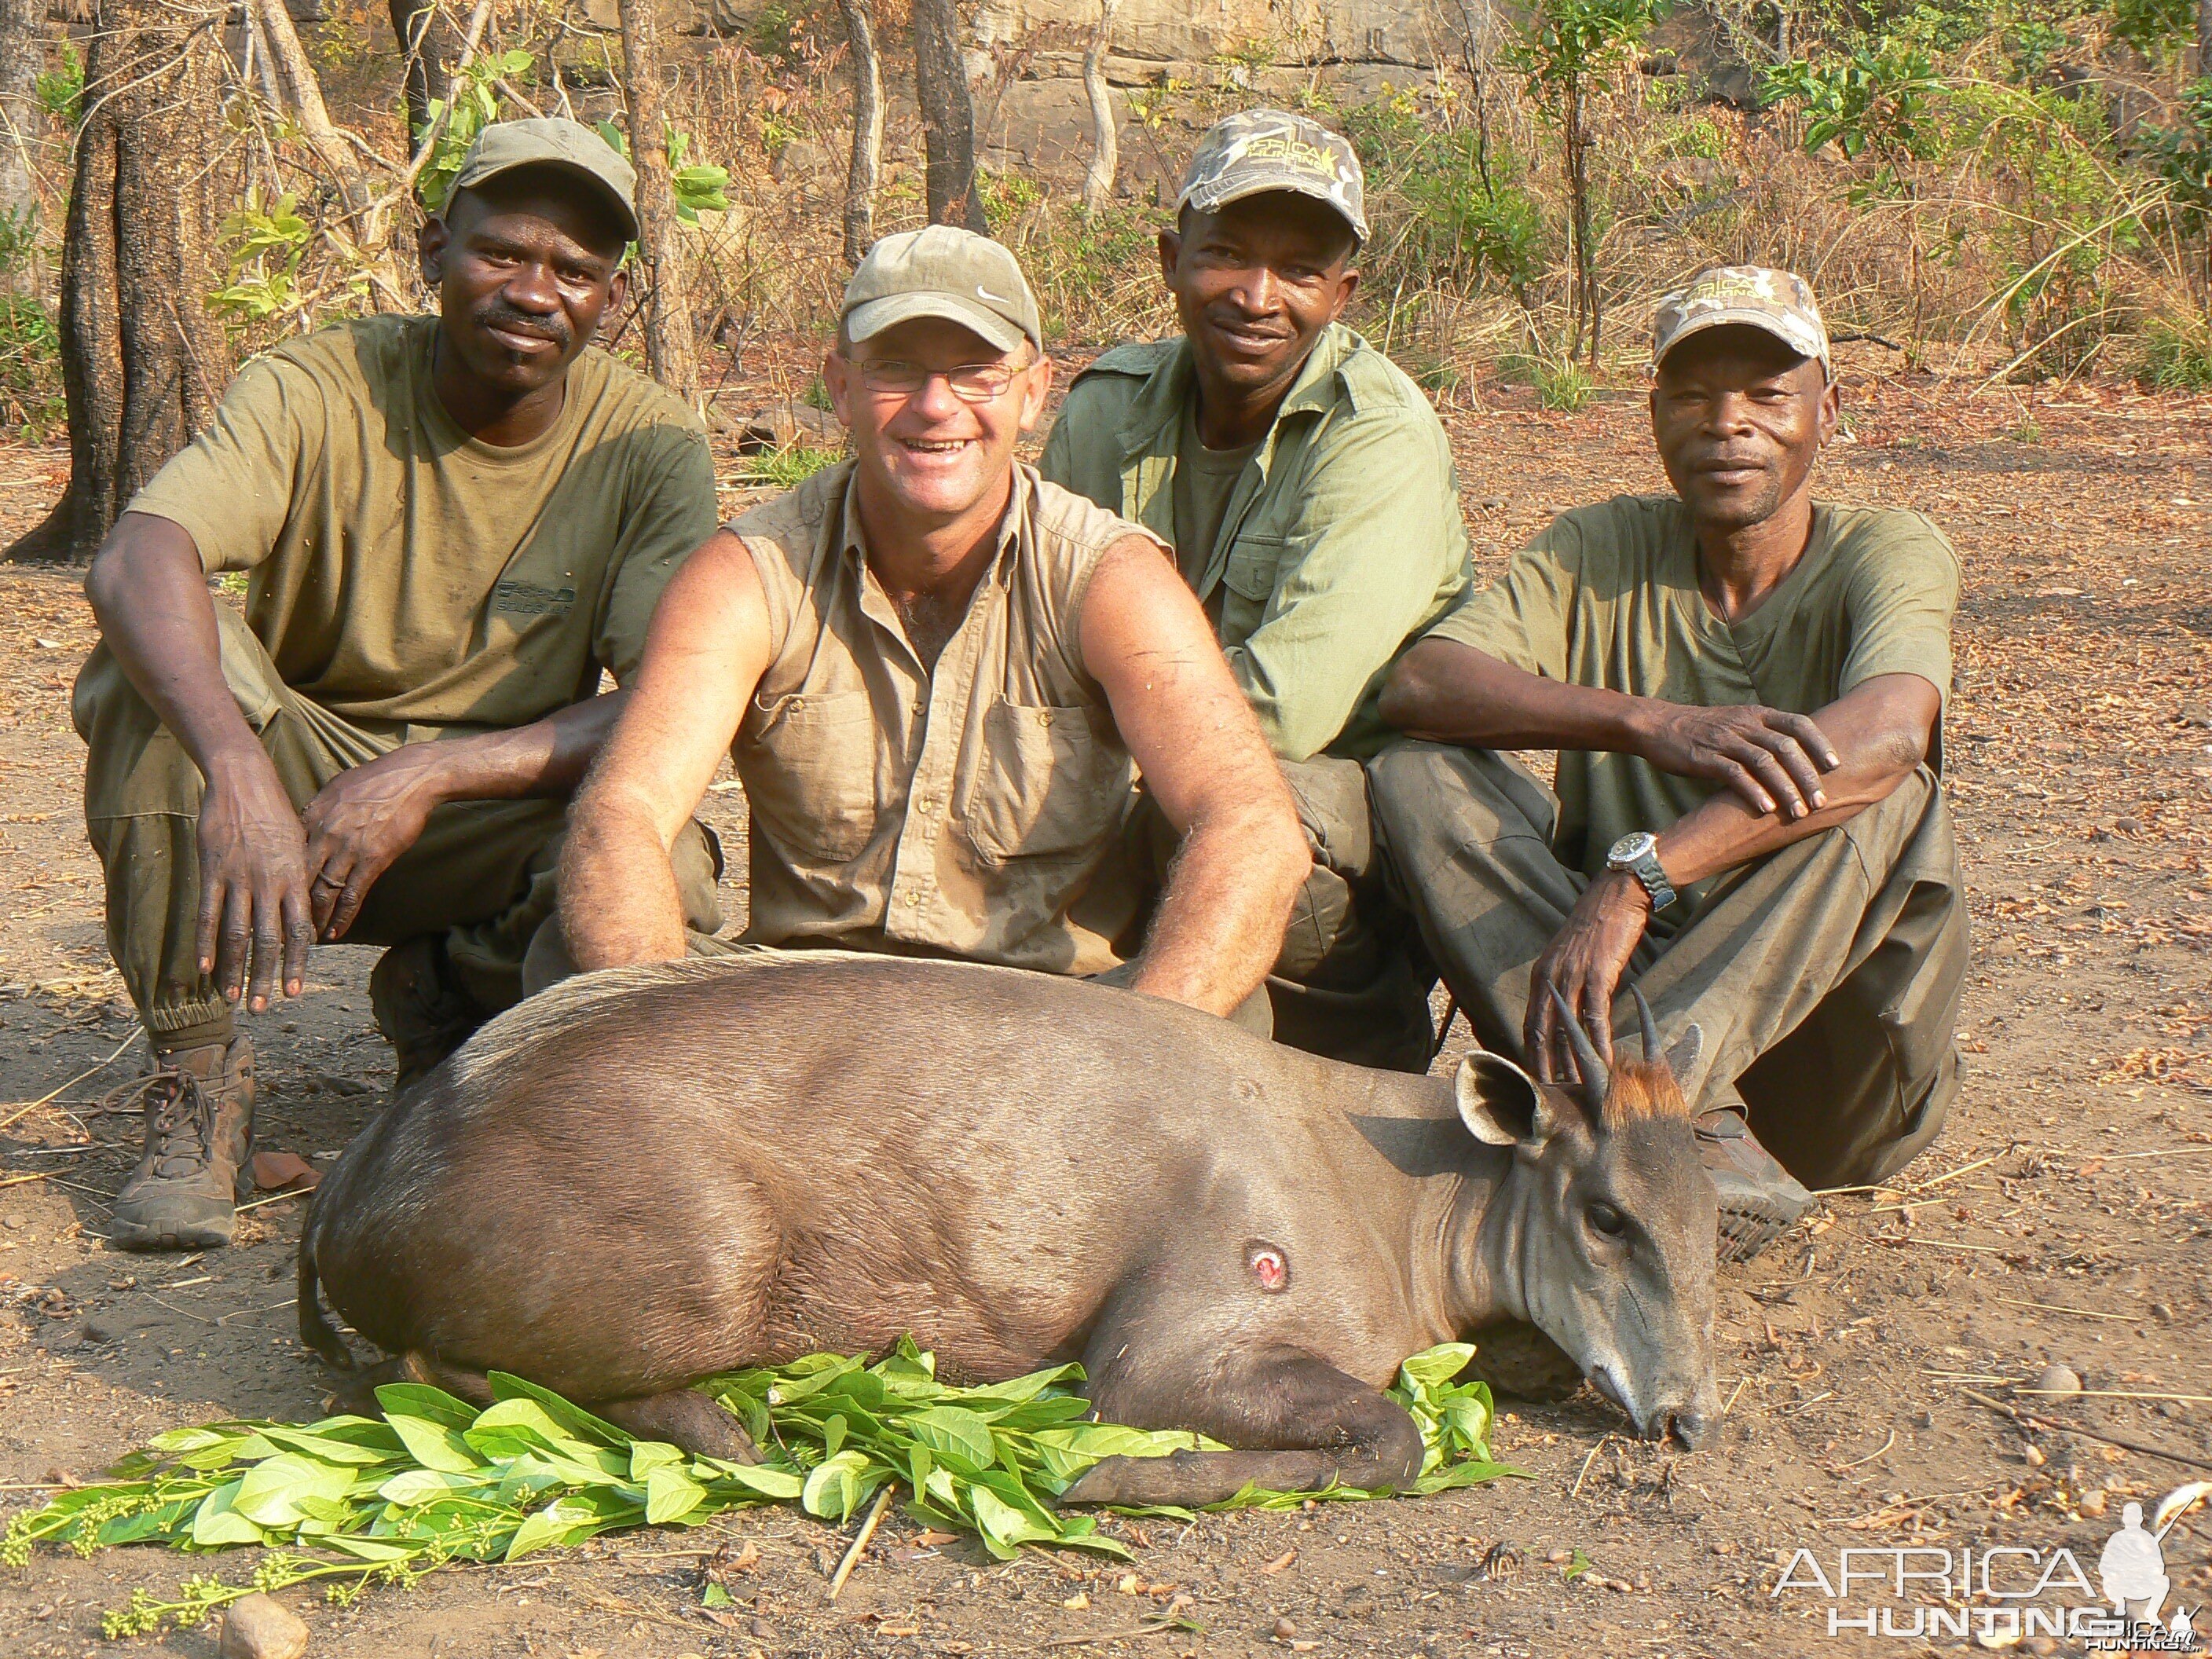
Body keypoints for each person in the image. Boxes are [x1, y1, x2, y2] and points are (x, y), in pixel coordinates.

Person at [75, 119, 723, 1250]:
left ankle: (462, 1014)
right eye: (501, 253)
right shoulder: (317, 385)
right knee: (156, 675)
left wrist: (434, 771)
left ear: (610, 303)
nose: (534, 291)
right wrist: (235, 767)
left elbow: (673, 695)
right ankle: (196, 1081)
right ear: (432, 250)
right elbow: (139, 554)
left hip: (491, 808)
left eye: (574, 271)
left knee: (667, 857)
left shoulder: (650, 445)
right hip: (296, 791)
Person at [551, 225, 1309, 1020]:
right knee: (581, 934)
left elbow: (1251, 825)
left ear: (1032, 391)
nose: (934, 405)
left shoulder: (1109, 577)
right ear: (840, 388)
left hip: (1053, 1020)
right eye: (896, 370)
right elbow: (625, 810)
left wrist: (1136, 1049)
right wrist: (658, 1047)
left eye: (975, 373)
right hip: (800, 1013)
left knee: (1230, 1012)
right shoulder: (748, 572)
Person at [1372, 266, 1966, 1261]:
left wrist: (1639, 874)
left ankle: (1637, 1107)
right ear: (1653, 413)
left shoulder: (1885, 549)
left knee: (1880, 789)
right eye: (1693, 395)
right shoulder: (1600, 547)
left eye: (1768, 396)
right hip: (1604, 1023)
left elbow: (1894, 727)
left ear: (1828, 406)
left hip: (1822, 1081)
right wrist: (1646, 722)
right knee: (1411, 772)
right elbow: (1423, 684)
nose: (1727, 423)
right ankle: (1662, 1127)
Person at [1040, 110, 1469, 1069]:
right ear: (1168, 258)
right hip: (1147, 782)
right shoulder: (1106, 409)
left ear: (1342, 292)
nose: (1255, 295)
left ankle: (1315, 1067)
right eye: (1224, 254)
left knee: (1234, 821)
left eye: (1300, 271)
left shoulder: (1378, 436)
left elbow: (1288, 709)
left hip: (1334, 817)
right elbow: (1037, 636)